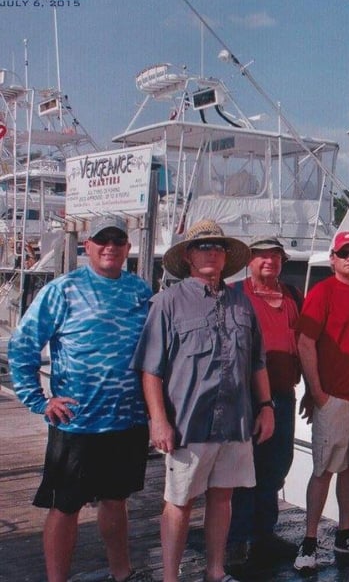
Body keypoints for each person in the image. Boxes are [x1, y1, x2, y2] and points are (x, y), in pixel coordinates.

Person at [8, 214, 153, 582]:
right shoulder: (63, 289)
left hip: (128, 420)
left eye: (117, 241)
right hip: (77, 422)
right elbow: (22, 346)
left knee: (116, 500)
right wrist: (39, 401)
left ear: (127, 247)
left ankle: (122, 573)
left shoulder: (141, 291)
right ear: (88, 245)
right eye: (102, 240)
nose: (110, 247)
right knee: (65, 506)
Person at [131, 220, 275, 582]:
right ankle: (170, 577)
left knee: (223, 498)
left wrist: (266, 407)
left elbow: (257, 362)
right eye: (203, 246)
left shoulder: (242, 303)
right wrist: (158, 420)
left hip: (236, 422)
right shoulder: (167, 303)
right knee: (179, 502)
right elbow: (151, 370)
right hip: (188, 424)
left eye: (217, 247)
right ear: (189, 256)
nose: (211, 252)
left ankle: (215, 570)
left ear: (226, 256)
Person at [293, 230, 349, 573]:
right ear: (332, 259)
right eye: (343, 253)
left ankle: (345, 534)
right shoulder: (322, 292)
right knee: (323, 471)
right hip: (334, 400)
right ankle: (309, 540)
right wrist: (317, 393)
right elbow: (305, 343)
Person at [228, 236, 303, 567]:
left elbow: (304, 344)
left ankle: (264, 535)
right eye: (261, 255)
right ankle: (238, 539)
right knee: (244, 468)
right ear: (249, 261)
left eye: (275, 255)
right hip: (245, 398)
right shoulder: (234, 294)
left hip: (284, 395)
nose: (269, 261)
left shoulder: (293, 296)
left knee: (276, 466)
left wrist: (311, 389)